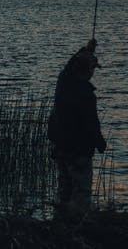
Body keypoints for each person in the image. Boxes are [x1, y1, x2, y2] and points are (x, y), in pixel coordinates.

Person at [48, 38, 107, 218]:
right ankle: (76, 225)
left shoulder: (63, 82)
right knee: (80, 194)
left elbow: (69, 66)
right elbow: (91, 123)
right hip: (78, 151)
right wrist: (100, 143)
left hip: (61, 147)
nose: (93, 72)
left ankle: (59, 224)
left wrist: (86, 50)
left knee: (64, 191)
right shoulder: (86, 94)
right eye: (92, 68)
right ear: (87, 70)